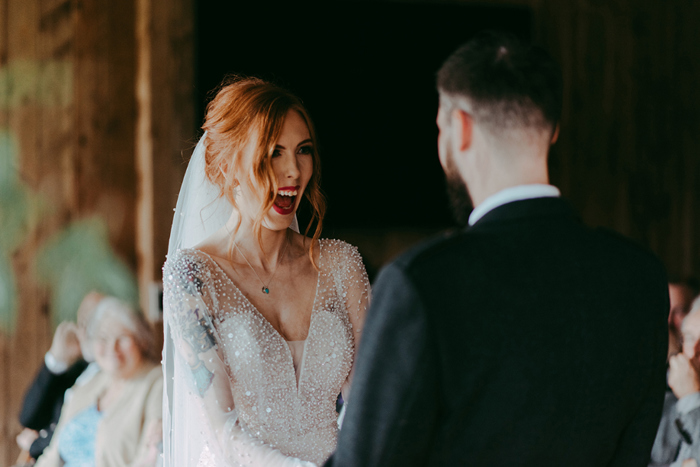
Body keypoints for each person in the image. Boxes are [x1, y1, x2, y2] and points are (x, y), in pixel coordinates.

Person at [325, 31, 669, 466]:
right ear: (554, 130)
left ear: (460, 128)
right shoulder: (640, 276)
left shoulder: (424, 284)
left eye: (439, 127)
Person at [162, 77, 370, 467]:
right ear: (228, 166)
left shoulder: (341, 265)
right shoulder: (192, 276)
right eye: (274, 152)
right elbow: (221, 429)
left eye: (303, 151)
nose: (293, 171)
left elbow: (371, 401)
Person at [35, 297, 163, 467]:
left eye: (122, 338)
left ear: (141, 340)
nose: (112, 348)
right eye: (103, 338)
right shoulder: (88, 385)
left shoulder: (156, 383)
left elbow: (149, 458)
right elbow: (53, 453)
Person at [17, 291, 105, 461]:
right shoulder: (77, 370)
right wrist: (55, 361)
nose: (86, 330)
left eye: (95, 322)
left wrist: (36, 445)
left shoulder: (114, 377)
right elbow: (29, 418)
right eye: (83, 322)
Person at [650, 296, 700, 467]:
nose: (693, 352)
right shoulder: (666, 397)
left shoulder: (687, 398)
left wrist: (691, 398)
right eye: (690, 338)